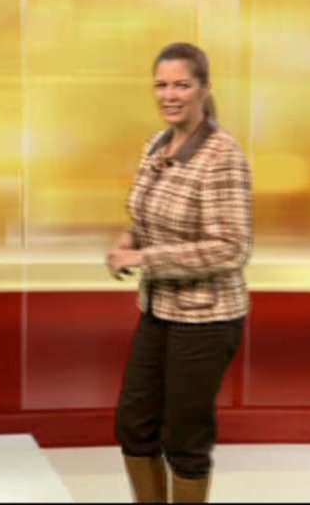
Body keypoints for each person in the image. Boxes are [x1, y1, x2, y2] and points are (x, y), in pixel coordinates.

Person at [106, 42, 254, 503]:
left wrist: (146, 259)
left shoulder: (222, 155)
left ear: (204, 89)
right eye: (162, 85)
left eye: (182, 85)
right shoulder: (155, 144)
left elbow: (232, 247)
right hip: (159, 308)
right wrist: (131, 239)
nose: (169, 95)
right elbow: (149, 215)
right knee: (135, 424)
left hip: (207, 317)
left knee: (185, 437)